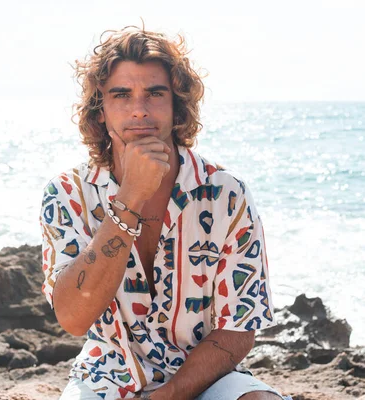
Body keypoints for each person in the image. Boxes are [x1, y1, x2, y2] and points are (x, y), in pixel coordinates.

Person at [40, 25, 289, 400]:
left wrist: (171, 394)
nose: (139, 110)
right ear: (101, 111)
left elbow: (239, 326)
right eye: (121, 95)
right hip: (107, 374)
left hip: (207, 377)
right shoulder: (68, 193)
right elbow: (74, 318)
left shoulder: (225, 193)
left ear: (177, 108)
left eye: (155, 94)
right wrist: (130, 200)